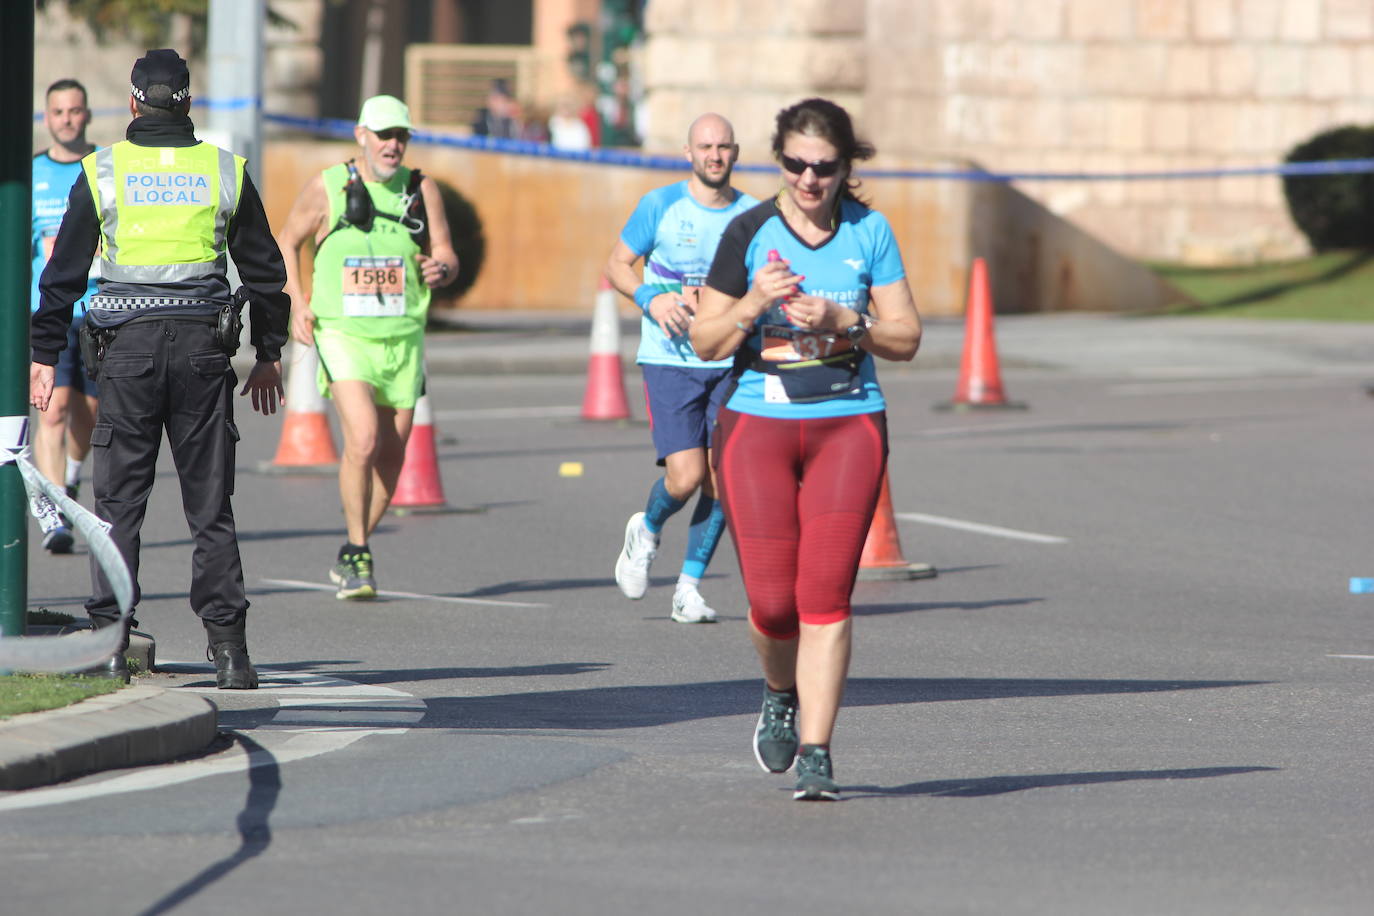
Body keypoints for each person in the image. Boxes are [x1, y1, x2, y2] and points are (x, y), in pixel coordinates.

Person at [29, 49, 290, 688]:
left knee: (118, 504)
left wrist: (42, 356)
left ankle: (111, 644)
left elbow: (61, 275)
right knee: (210, 506)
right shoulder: (223, 171)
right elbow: (264, 270)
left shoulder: (103, 170)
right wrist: (270, 351)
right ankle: (230, 653)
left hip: (128, 356)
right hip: (204, 354)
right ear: (189, 101)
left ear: (134, 99)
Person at [691, 98, 922, 800]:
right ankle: (777, 690)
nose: (809, 180)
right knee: (771, 604)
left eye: (824, 167)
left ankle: (818, 751)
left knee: (825, 595)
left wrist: (847, 320)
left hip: (847, 424)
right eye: (795, 164)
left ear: (845, 167)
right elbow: (705, 340)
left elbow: (906, 336)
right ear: (779, 160)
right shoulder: (748, 231)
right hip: (757, 422)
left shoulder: (869, 232)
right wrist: (754, 302)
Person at [276, 94, 458, 600]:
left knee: (392, 460)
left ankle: (352, 547)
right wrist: (296, 301)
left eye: (401, 135)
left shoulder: (422, 190)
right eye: (384, 135)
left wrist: (441, 267)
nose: (393, 145)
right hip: (343, 333)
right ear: (361, 136)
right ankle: (359, 553)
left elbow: (445, 251)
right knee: (362, 440)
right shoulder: (328, 185)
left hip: (402, 338)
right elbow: (287, 240)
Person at [606, 114, 758, 623]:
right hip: (670, 360)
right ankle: (646, 529)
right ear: (688, 153)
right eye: (705, 146)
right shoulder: (660, 205)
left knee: (722, 478)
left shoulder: (754, 215)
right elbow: (617, 265)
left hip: (731, 360)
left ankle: (688, 588)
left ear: (736, 153)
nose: (715, 155)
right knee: (686, 476)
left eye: (724, 147)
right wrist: (652, 298)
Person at [30, 78, 100, 555]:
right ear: (47, 118)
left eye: (75, 111)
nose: (67, 119)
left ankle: (72, 475)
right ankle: (53, 510)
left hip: (99, 310)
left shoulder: (104, 169)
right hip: (48, 312)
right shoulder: (31, 174)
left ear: (87, 115)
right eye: (59, 112)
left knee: (89, 415)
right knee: (51, 409)